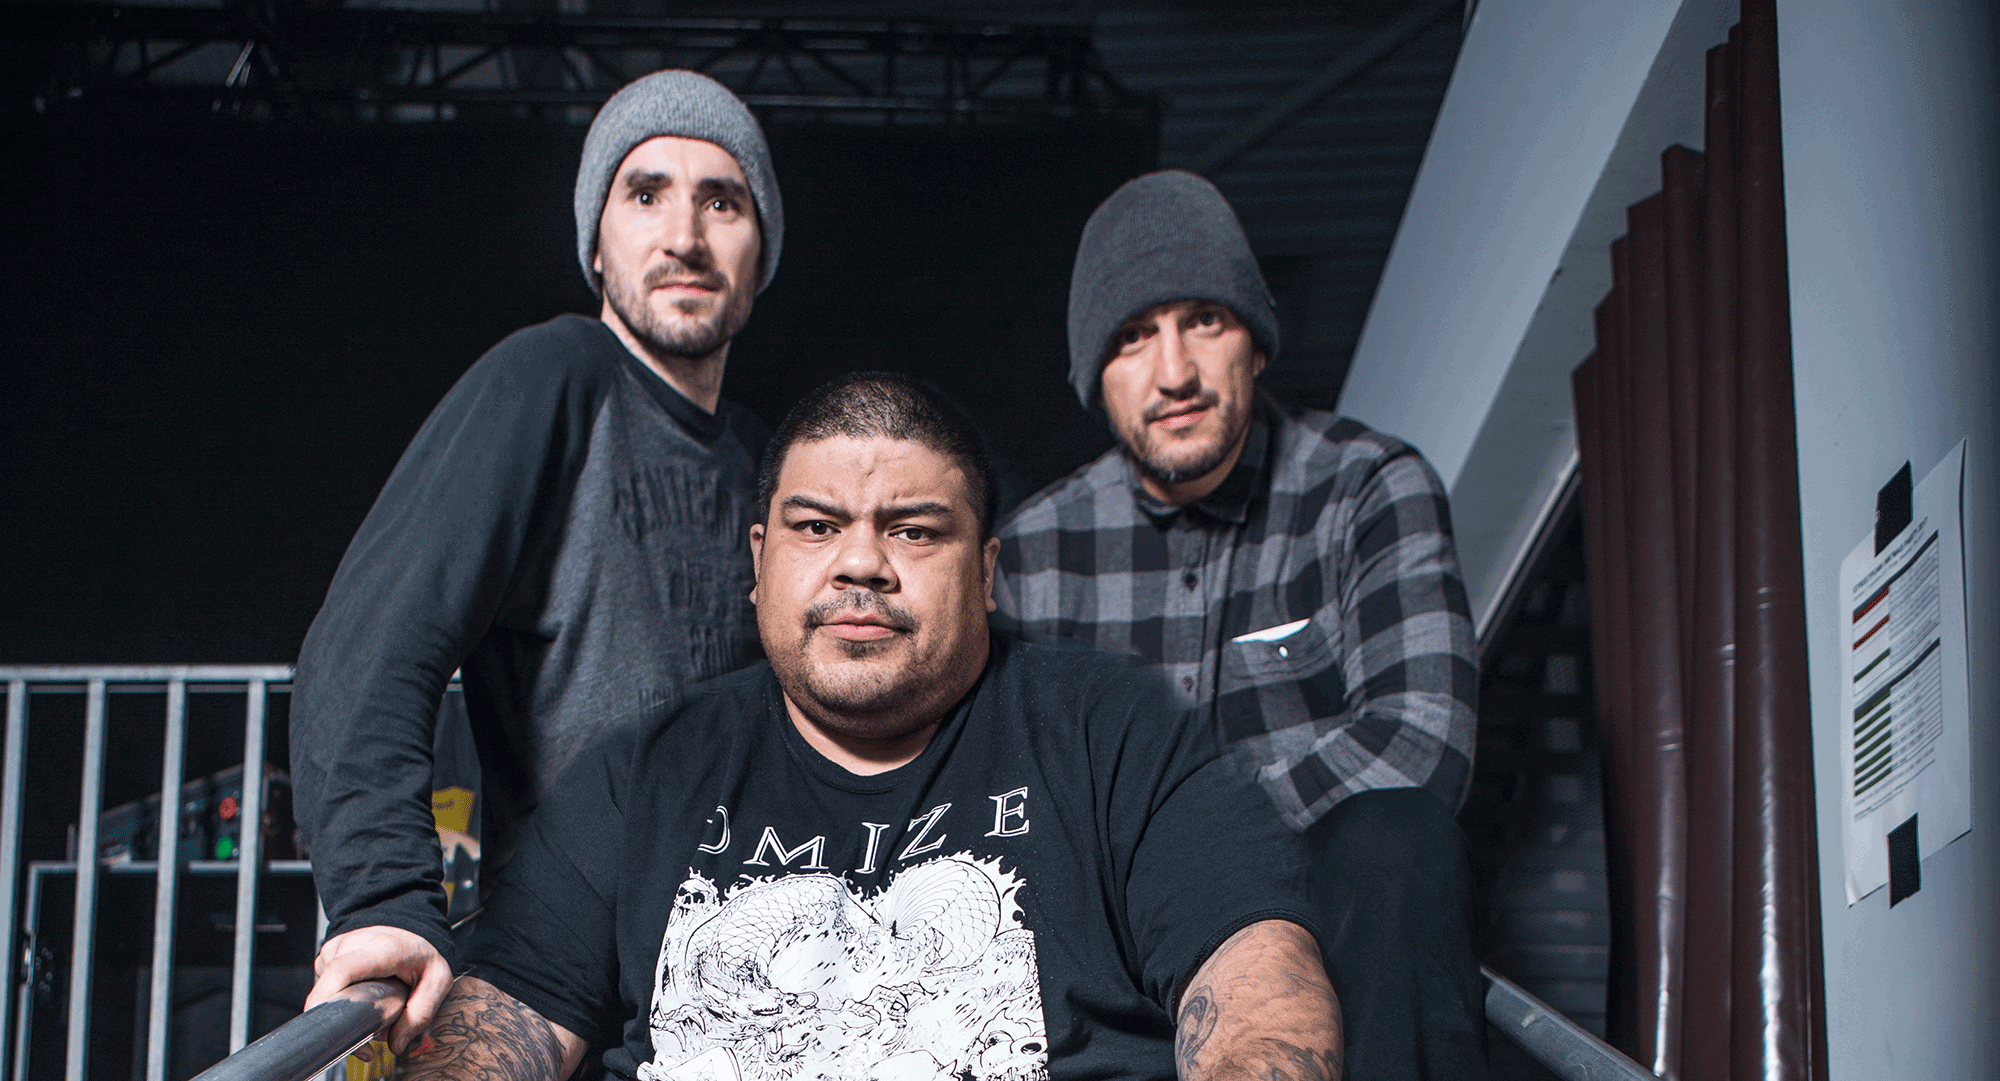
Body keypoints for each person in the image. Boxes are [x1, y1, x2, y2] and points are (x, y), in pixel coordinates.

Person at [396, 372, 1343, 1081]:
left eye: (914, 531)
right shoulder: (637, 776)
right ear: (759, 560)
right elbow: (502, 1018)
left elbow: (1258, 983)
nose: (861, 563)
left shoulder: (1117, 733)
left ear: (986, 571)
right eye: (816, 526)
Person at [288, 68, 783, 1050]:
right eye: (645, 195)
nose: (684, 236)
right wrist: (386, 896)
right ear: (596, 244)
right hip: (570, 980)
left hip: (745, 981)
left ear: (759, 249)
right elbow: (368, 648)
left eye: (721, 201)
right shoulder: (554, 376)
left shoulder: (762, 461)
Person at [991, 170, 1485, 1081]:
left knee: (1397, 836)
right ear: (1095, 378)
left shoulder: (1366, 489)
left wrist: (1195, 840)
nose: (1174, 372)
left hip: (1334, 940)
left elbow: (1422, 740)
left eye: (1205, 321)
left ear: (1255, 344)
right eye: (1133, 337)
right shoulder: (1029, 553)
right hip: (1124, 959)